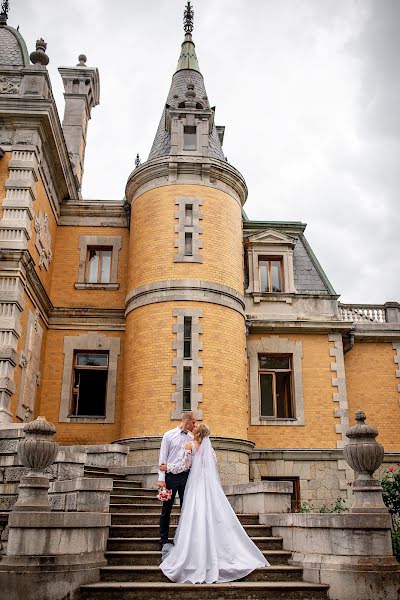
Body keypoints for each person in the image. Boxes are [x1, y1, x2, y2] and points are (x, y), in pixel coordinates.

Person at [160, 423, 269, 583]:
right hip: (208, 485)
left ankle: (194, 552)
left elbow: (184, 465)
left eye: (196, 427)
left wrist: (168, 467)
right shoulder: (209, 449)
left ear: (197, 433)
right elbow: (212, 465)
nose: (194, 427)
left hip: (196, 485)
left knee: (194, 514)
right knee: (211, 513)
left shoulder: (190, 444)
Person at [158, 411, 196, 548]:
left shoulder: (192, 438)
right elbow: (162, 458)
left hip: (186, 477)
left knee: (186, 508)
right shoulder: (168, 435)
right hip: (169, 478)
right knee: (166, 509)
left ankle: (184, 539)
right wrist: (161, 479)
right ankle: (163, 539)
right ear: (187, 421)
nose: (195, 425)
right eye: (193, 422)